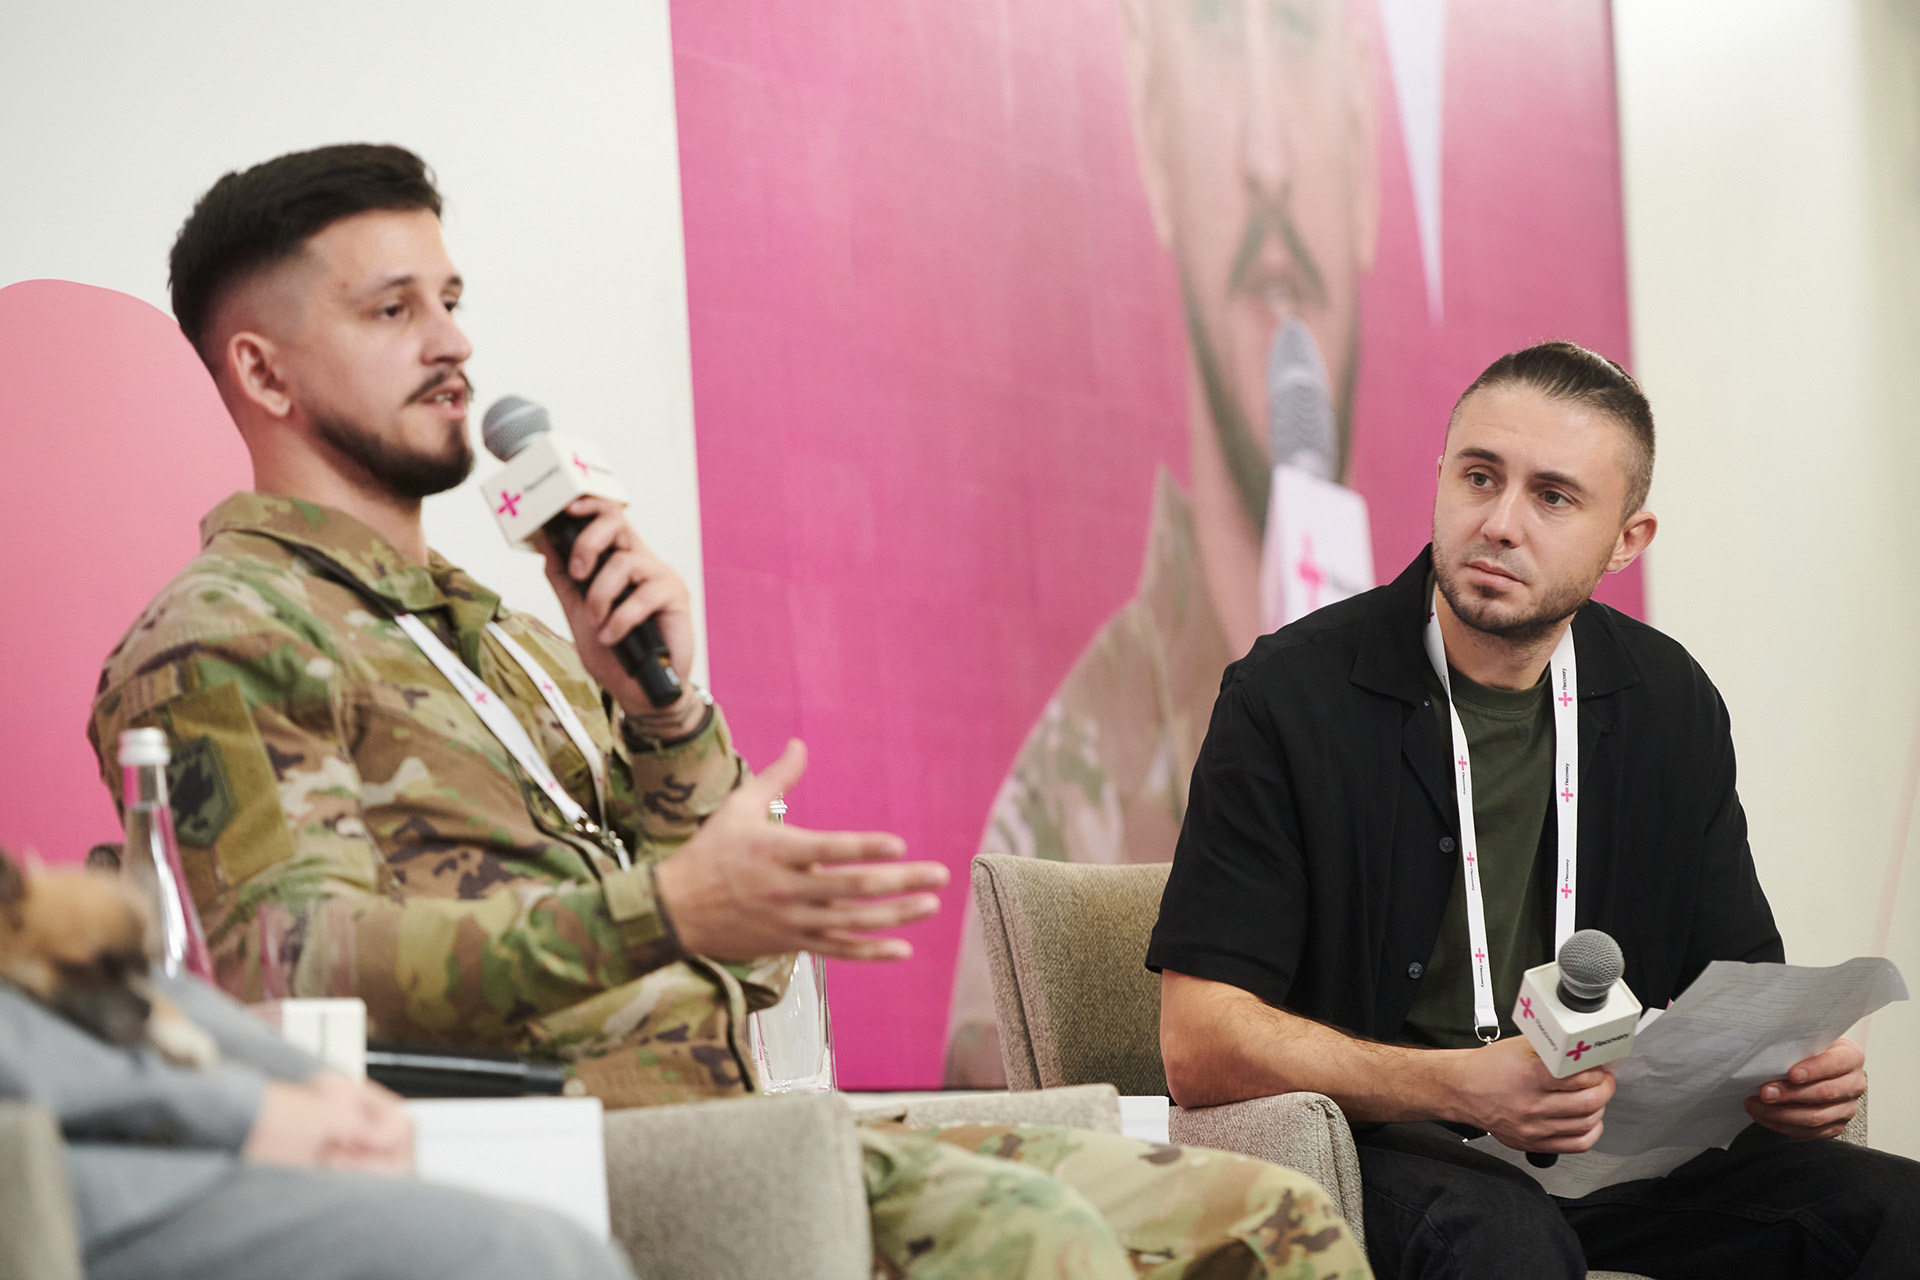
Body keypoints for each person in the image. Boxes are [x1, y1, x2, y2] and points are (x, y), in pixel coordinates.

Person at [86, 143, 1372, 1279]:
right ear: (262, 369)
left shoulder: (512, 635)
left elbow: (749, 967)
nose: (453, 343)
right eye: (392, 308)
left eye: (453, 300)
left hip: (745, 1120)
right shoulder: (224, 638)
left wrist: (663, 714)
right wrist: (665, 909)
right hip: (560, 1157)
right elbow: (292, 969)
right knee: (1034, 1242)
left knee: (1271, 1216)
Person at [1146, 341, 1920, 1277]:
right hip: (1377, 1146)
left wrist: (1788, 1075)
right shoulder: (1289, 694)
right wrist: (1458, 1085)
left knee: (1895, 1212)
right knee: (1504, 1237)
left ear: (1627, 540)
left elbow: (1737, 989)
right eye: (1479, 477)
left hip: (1604, 1155)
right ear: (1440, 478)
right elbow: (1198, 1043)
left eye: (1553, 497)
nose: (1500, 524)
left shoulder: (1668, 703)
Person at [945, 0, 1380, 1085]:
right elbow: (1014, 1137)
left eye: (1298, 30)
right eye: (1216, 31)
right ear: (1151, 130)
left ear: (1366, 148)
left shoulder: (1471, 699)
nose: (1267, 155)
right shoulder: (1068, 793)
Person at [0, 942, 631, 1279]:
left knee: (565, 1247)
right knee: (518, 1257)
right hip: (65, 1187)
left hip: (174, 1142)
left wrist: (319, 1084)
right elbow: (304, 938)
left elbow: (132, 980)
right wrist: (247, 1111)